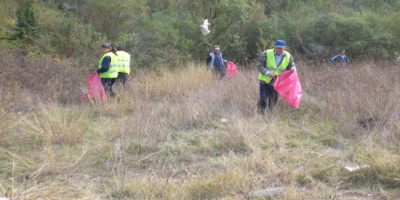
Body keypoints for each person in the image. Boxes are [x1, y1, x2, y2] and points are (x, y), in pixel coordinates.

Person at [256, 40, 296, 113]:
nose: (278, 49)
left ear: (284, 48)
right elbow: (259, 65)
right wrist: (267, 72)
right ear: (274, 47)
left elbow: (291, 66)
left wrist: (293, 69)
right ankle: (261, 113)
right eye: (276, 48)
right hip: (265, 80)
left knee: (274, 98)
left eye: (280, 48)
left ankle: (270, 112)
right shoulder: (266, 53)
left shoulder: (288, 56)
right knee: (263, 97)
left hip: (278, 81)